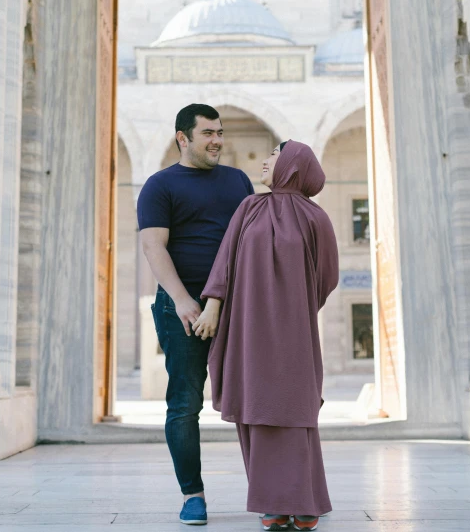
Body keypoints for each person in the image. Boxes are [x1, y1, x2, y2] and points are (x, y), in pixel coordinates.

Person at [193, 140, 339, 532]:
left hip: (295, 331)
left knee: (295, 408)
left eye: (274, 155)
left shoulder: (316, 218)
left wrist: (294, 308)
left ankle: (303, 502)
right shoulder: (249, 207)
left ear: (292, 164)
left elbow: (326, 277)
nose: (265, 161)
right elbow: (225, 261)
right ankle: (273, 504)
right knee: (257, 405)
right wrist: (213, 306)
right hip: (248, 326)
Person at [138, 104, 254, 526]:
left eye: (220, 132)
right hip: (180, 309)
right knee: (185, 405)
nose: (217, 140)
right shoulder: (159, 185)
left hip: (235, 307)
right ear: (182, 138)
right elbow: (154, 248)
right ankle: (193, 496)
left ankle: (271, 491)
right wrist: (186, 301)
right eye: (207, 133)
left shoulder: (238, 181)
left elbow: (249, 241)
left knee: (255, 402)